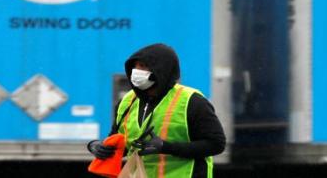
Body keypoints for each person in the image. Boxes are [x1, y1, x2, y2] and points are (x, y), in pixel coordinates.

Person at [87, 43, 226, 178]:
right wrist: (97, 146)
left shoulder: (192, 101)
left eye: (143, 66)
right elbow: (120, 143)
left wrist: (166, 147)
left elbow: (216, 144)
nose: (136, 71)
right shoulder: (128, 101)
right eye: (134, 66)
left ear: (161, 70)